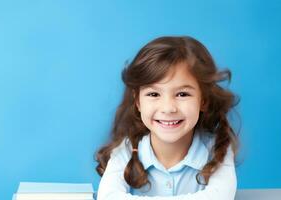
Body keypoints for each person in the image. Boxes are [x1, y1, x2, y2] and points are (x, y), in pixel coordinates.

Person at [95, 36, 239, 200]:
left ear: (203, 100)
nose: (168, 108)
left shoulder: (217, 150)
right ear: (138, 102)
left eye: (182, 94)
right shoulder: (125, 150)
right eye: (154, 94)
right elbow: (107, 196)